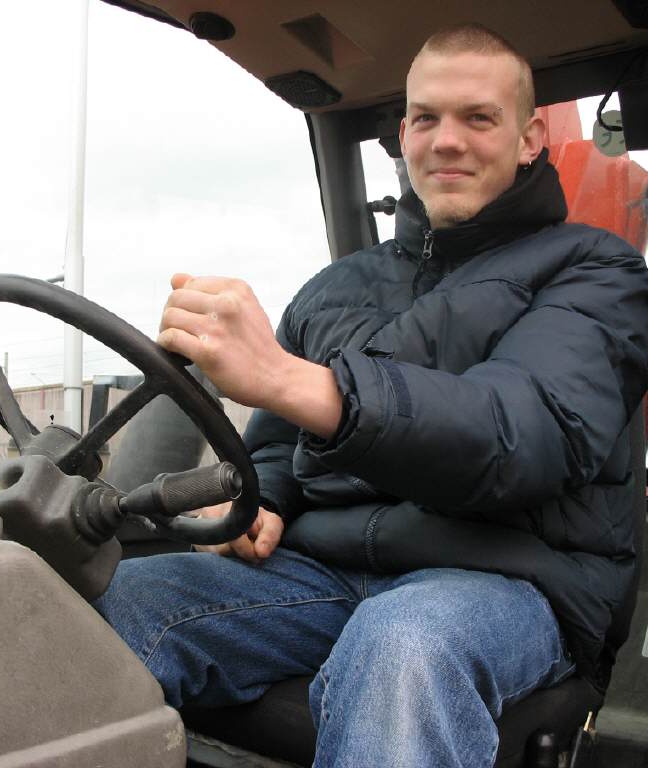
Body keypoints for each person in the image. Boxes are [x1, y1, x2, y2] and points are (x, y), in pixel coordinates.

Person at [97, 23, 648, 768]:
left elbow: (519, 435)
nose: (447, 140)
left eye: (478, 118)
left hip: (511, 578)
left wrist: (291, 379)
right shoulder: (334, 288)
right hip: (321, 572)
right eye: (426, 118)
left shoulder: (597, 273)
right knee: (110, 602)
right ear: (405, 134)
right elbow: (276, 448)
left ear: (528, 139)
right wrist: (266, 504)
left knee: (403, 644)